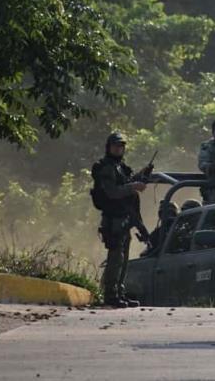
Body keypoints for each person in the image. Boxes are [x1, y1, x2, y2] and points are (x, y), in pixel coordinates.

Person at [90, 131, 149, 307]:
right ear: (109, 147)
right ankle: (111, 295)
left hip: (124, 217)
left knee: (123, 259)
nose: (119, 149)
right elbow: (113, 192)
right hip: (113, 218)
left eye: (122, 146)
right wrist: (133, 186)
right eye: (116, 146)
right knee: (115, 257)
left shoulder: (121, 167)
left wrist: (141, 176)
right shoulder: (106, 167)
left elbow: (126, 185)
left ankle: (119, 293)